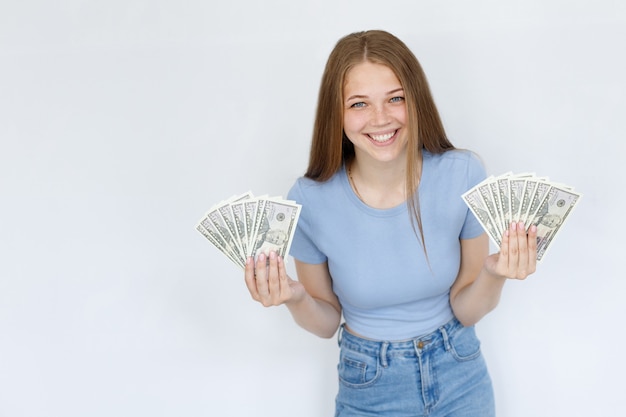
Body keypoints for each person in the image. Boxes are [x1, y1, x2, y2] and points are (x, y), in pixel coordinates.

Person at [244, 30, 538, 417]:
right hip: (369, 384)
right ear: (337, 113)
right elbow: (326, 322)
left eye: (395, 98)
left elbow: (467, 310)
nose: (380, 118)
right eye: (359, 104)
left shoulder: (462, 173)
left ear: (415, 100)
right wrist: (294, 297)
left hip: (460, 373)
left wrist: (493, 273)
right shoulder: (309, 199)